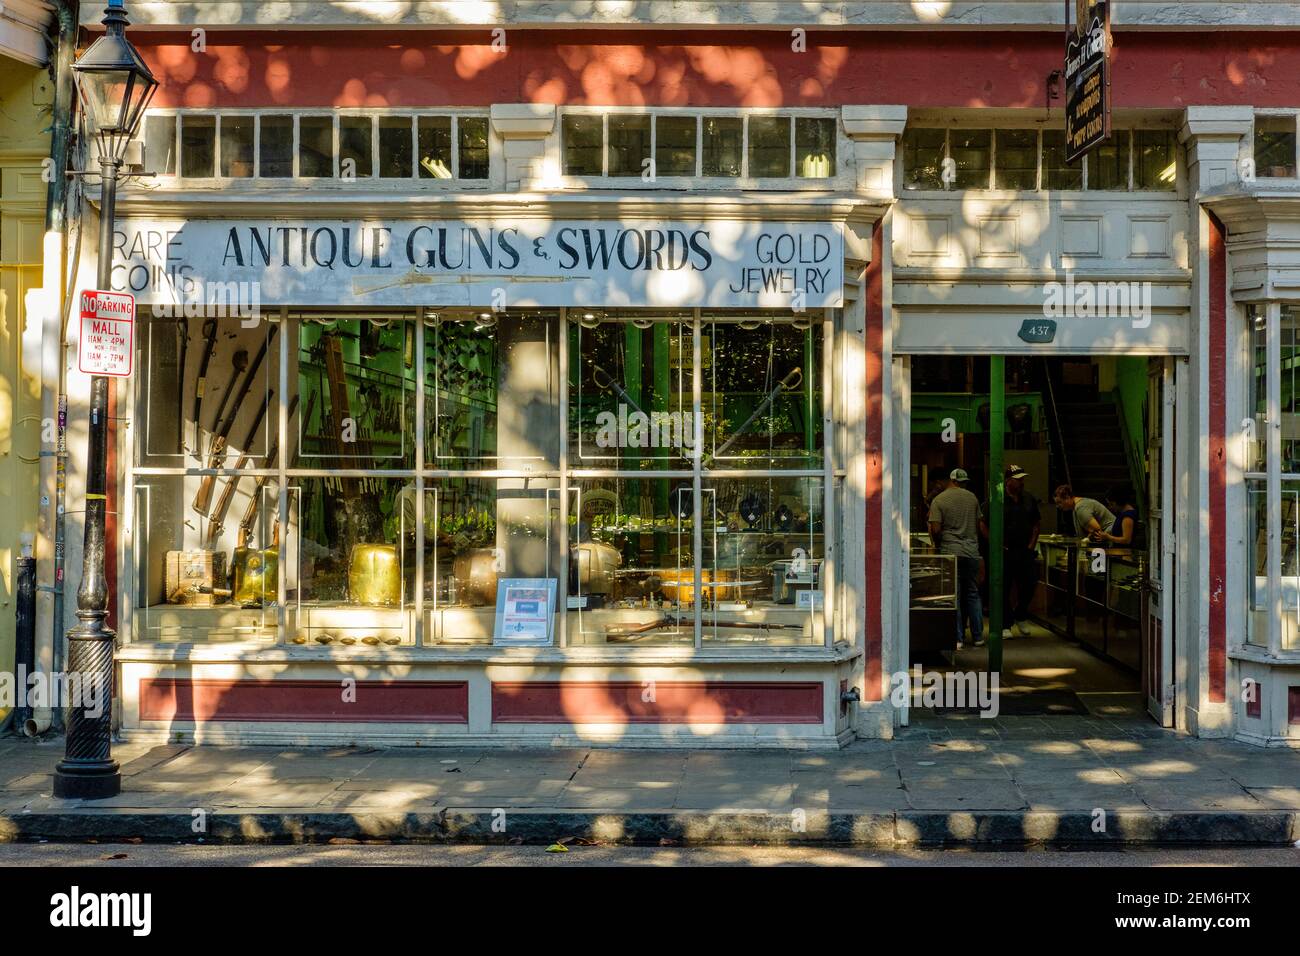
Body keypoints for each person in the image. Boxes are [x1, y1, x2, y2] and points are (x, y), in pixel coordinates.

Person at [980, 464, 1041, 639]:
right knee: (1003, 587)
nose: (1021, 481)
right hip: (1004, 551)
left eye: (1022, 478)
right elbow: (983, 523)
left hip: (1024, 549)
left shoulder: (1028, 499)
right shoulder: (996, 500)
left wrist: (1031, 545)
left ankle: (1020, 614)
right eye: (1018, 478)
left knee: (1030, 583)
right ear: (1008, 480)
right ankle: (1005, 623)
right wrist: (995, 544)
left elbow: (1036, 523)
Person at [929, 468, 984, 649]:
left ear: (951, 480)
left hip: (950, 552)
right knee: (973, 593)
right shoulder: (973, 498)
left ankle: (958, 638)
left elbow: (936, 529)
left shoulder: (939, 500)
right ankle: (978, 637)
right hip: (971, 552)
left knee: (955, 595)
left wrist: (938, 545)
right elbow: (978, 525)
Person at [1052, 484, 1118, 540]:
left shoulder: (1081, 508)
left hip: (1112, 535)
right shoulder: (1077, 506)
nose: (1057, 506)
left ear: (1067, 497)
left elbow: (1096, 530)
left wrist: (1084, 543)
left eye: (1059, 502)